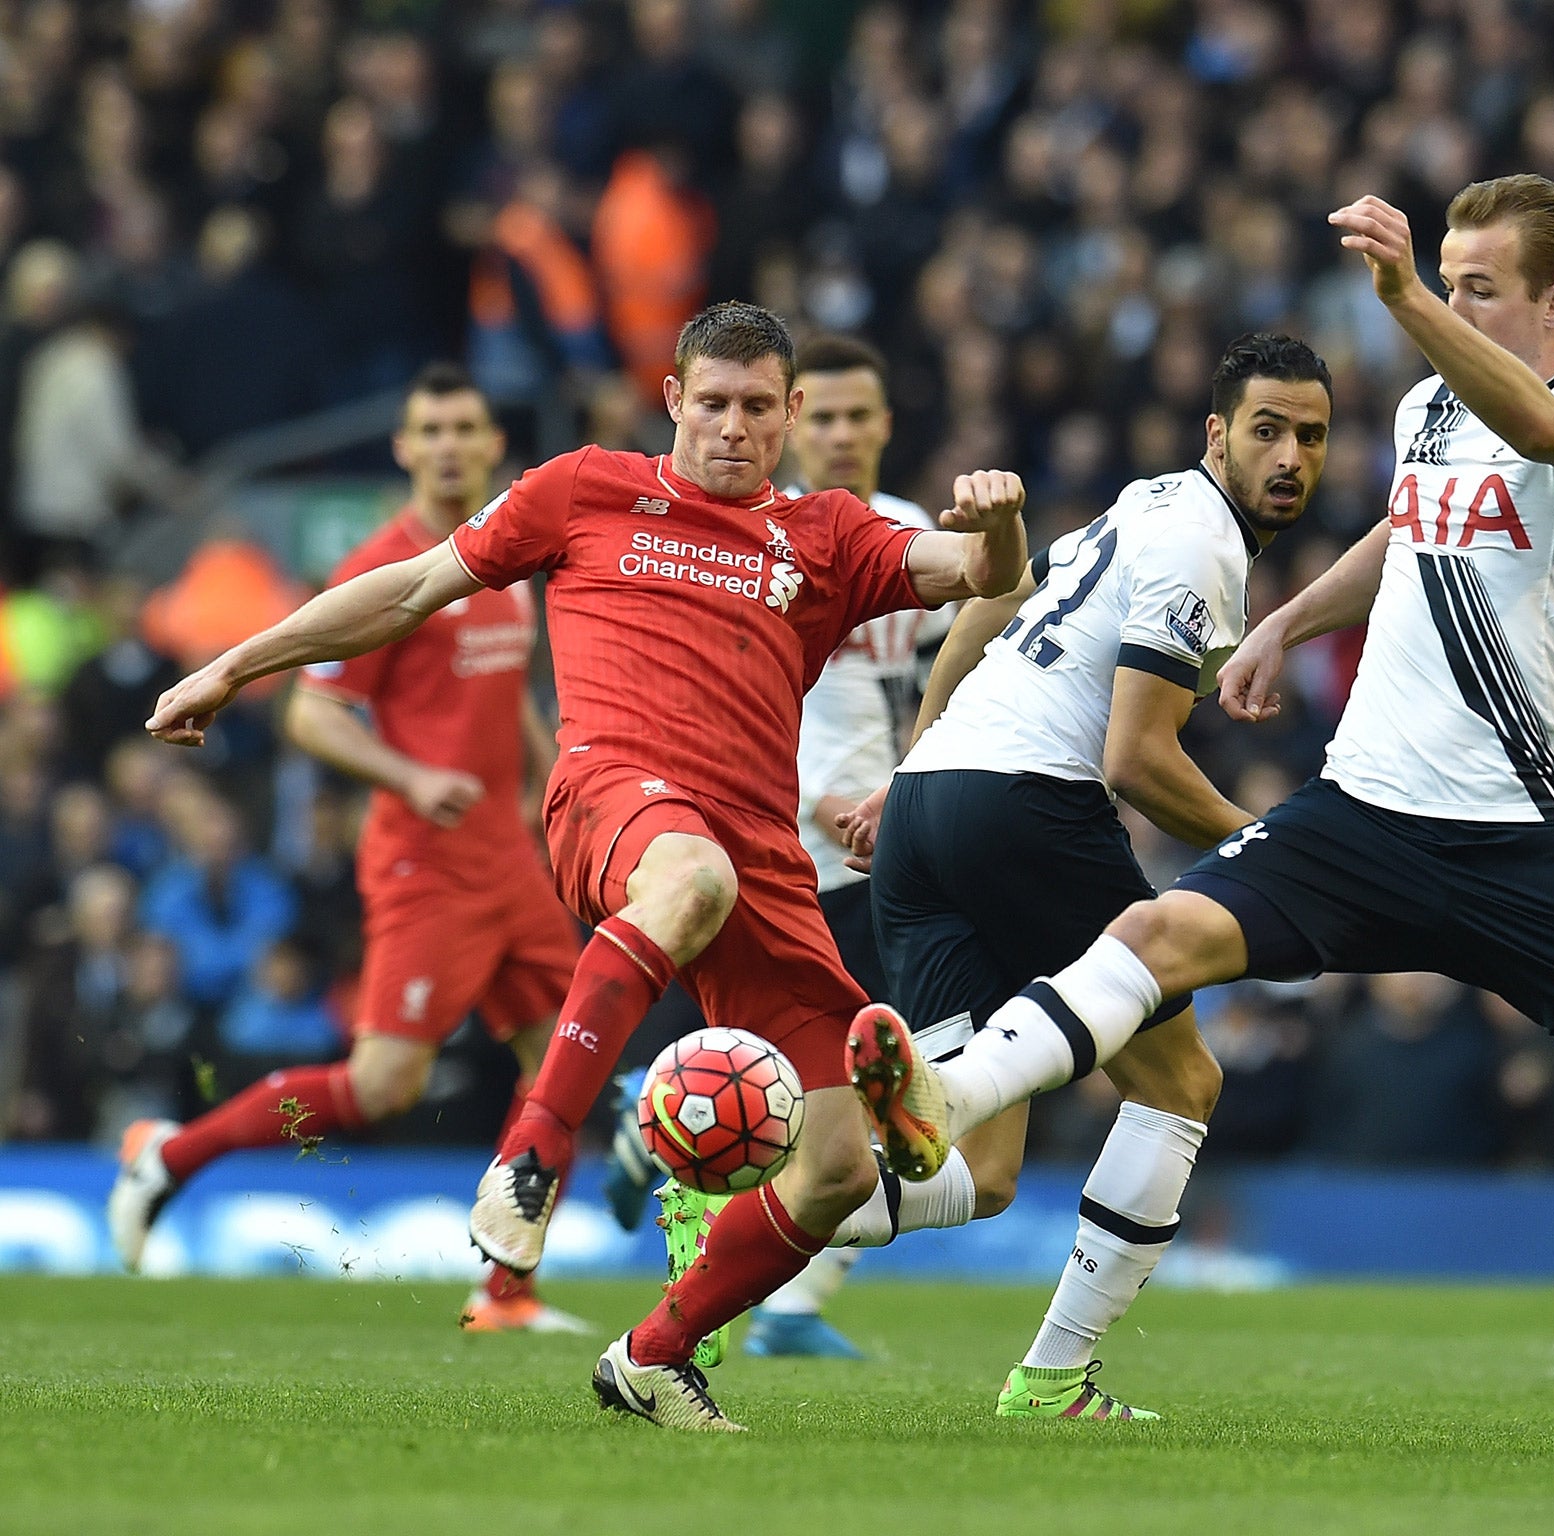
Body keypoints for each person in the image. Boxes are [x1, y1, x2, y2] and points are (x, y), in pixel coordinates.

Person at [846, 177, 1554, 1465]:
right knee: (1156, 931)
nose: (1450, 303)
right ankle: (947, 1100)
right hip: (1365, 810)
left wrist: (1401, 297)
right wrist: (1290, 617)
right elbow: (1408, 535)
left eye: (1478, 286)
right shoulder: (1425, 408)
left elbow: (1539, 429)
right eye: (1442, 279)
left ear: (1553, 300)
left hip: (1518, 842)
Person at [142, 301, 1026, 1432]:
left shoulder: (828, 533)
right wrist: (234, 666)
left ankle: (654, 1356)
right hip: (614, 795)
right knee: (687, 883)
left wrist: (997, 526)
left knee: (842, 1167)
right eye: (712, 402)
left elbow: (977, 572)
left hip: (763, 853)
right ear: (672, 399)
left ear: (792, 413)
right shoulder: (585, 488)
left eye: (759, 407)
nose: (733, 427)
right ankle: (533, 1152)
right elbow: (411, 588)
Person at [812, 332, 1329, 1419]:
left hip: (933, 807)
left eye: (1311, 436)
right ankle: (1052, 1379)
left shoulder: (1139, 503)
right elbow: (1134, 760)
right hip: (1028, 808)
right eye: (1266, 431)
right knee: (1182, 1084)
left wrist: (910, 773)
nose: (1289, 456)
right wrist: (1280, 854)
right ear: (1215, 437)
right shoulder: (1203, 544)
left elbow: (983, 621)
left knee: (976, 1173)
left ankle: (745, 1188)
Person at [110, 364, 589, 1333]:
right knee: (383, 1086)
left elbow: (508, 707)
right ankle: (169, 1154)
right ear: (404, 448)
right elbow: (313, 715)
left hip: (508, 857)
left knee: (564, 1068)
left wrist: (555, 791)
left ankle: (505, 1293)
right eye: (432, 429)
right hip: (424, 859)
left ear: (493, 445)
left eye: (467, 427)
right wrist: (411, 779)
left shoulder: (502, 560)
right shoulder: (382, 568)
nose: (451, 444)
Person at [604, 332, 951, 1361]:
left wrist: (905, 779)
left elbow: (939, 679)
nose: (842, 435)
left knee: (876, 1092)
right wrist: (817, 796)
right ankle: (670, 1142)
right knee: (854, 1090)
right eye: (827, 418)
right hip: (768, 834)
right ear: (803, 422)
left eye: (859, 417)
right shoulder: (752, 538)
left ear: (883, 424)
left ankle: (661, 1131)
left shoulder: (903, 537)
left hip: (872, 844)